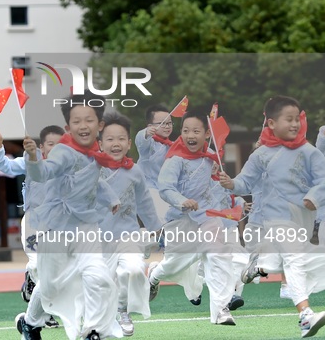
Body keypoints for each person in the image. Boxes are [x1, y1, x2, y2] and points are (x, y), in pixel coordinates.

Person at [17, 93, 123, 340]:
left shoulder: (96, 153)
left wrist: (112, 199)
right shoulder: (63, 152)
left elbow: (94, 181)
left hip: (86, 225)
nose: (83, 126)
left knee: (99, 276)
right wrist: (33, 158)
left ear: (100, 125)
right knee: (51, 285)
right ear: (68, 127)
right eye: (77, 121)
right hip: (55, 227)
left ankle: (93, 331)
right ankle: (31, 323)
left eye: (89, 120)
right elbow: (44, 172)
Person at [219, 96, 325, 338]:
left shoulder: (310, 152)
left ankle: (261, 265)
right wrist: (230, 182)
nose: (295, 124)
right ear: (271, 124)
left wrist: (314, 196)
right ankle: (305, 315)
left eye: (297, 119)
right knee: (294, 257)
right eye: (288, 119)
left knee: (293, 259)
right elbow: (245, 182)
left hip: (302, 218)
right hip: (274, 218)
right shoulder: (261, 155)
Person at [149, 109, 236, 326]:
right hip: (180, 219)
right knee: (174, 265)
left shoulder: (210, 157)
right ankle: (153, 275)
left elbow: (215, 180)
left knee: (218, 257)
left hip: (207, 217)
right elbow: (165, 188)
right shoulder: (176, 158)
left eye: (196, 131)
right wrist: (181, 200)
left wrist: (223, 178)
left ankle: (221, 310)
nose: (190, 135)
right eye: (186, 130)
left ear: (207, 134)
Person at [0, 125, 62, 329]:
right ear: (42, 146)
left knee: (54, 271)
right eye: (51, 144)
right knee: (38, 265)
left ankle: (44, 307)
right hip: (33, 222)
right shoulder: (30, 161)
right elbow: (5, 166)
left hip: (58, 225)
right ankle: (33, 281)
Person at [98, 111, 162, 336]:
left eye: (121, 139)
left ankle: (123, 310)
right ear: (100, 143)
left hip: (129, 234)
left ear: (128, 143)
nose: (116, 143)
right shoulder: (92, 168)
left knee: (134, 270)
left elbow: (144, 201)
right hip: (99, 239)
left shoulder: (135, 171)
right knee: (102, 284)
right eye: (110, 139)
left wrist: (155, 227)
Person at [135, 104, 174, 222]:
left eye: (169, 123)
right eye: (162, 123)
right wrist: (146, 133)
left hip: (167, 188)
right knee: (162, 215)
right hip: (149, 188)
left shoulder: (172, 146)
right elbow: (141, 140)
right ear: (150, 126)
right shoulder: (148, 144)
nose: (167, 126)